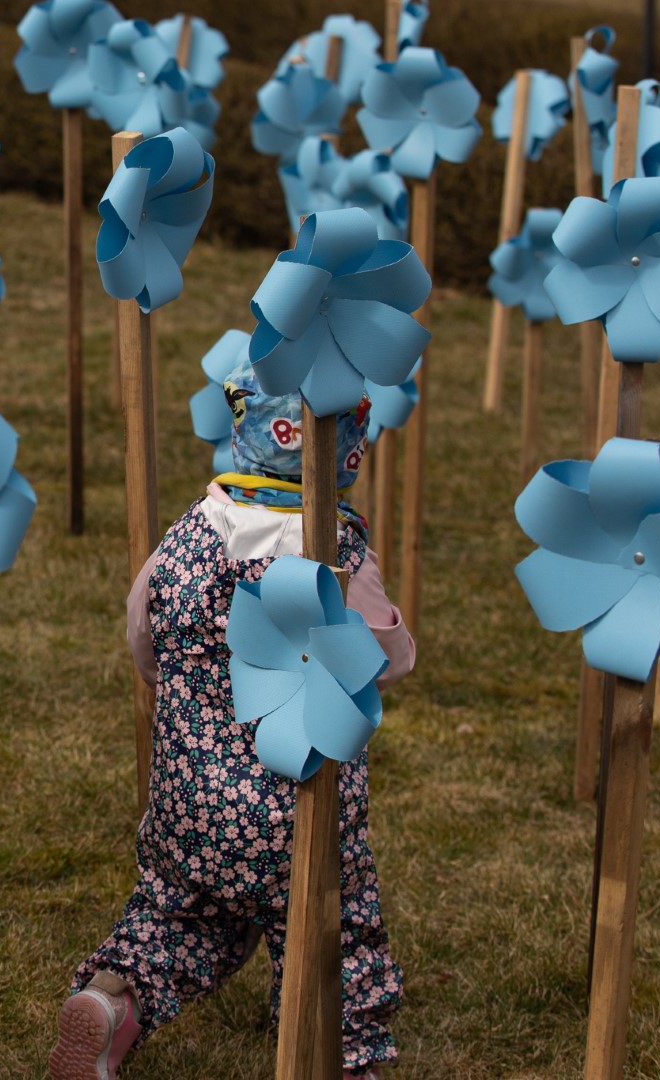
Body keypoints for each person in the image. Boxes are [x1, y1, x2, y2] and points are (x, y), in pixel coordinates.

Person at [49, 363, 415, 1080]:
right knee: (331, 932)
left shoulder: (191, 532)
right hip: (298, 808)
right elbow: (384, 660)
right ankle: (340, 1057)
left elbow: (143, 634)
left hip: (189, 801)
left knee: (179, 913)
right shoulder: (335, 550)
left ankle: (112, 1002)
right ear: (349, 442)